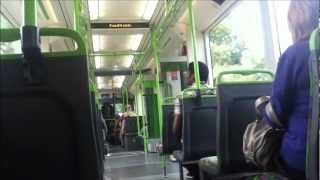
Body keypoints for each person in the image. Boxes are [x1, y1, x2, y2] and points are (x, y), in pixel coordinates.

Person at [260, 1, 318, 179]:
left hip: (305, 156)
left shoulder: (293, 54)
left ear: (294, 23)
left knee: (264, 152)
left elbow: (275, 116)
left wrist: (262, 108)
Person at [172, 61, 209, 179]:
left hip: (193, 151)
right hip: (219, 149)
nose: (185, 75)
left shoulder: (184, 96)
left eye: (187, 73)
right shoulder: (216, 92)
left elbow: (176, 130)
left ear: (193, 76)